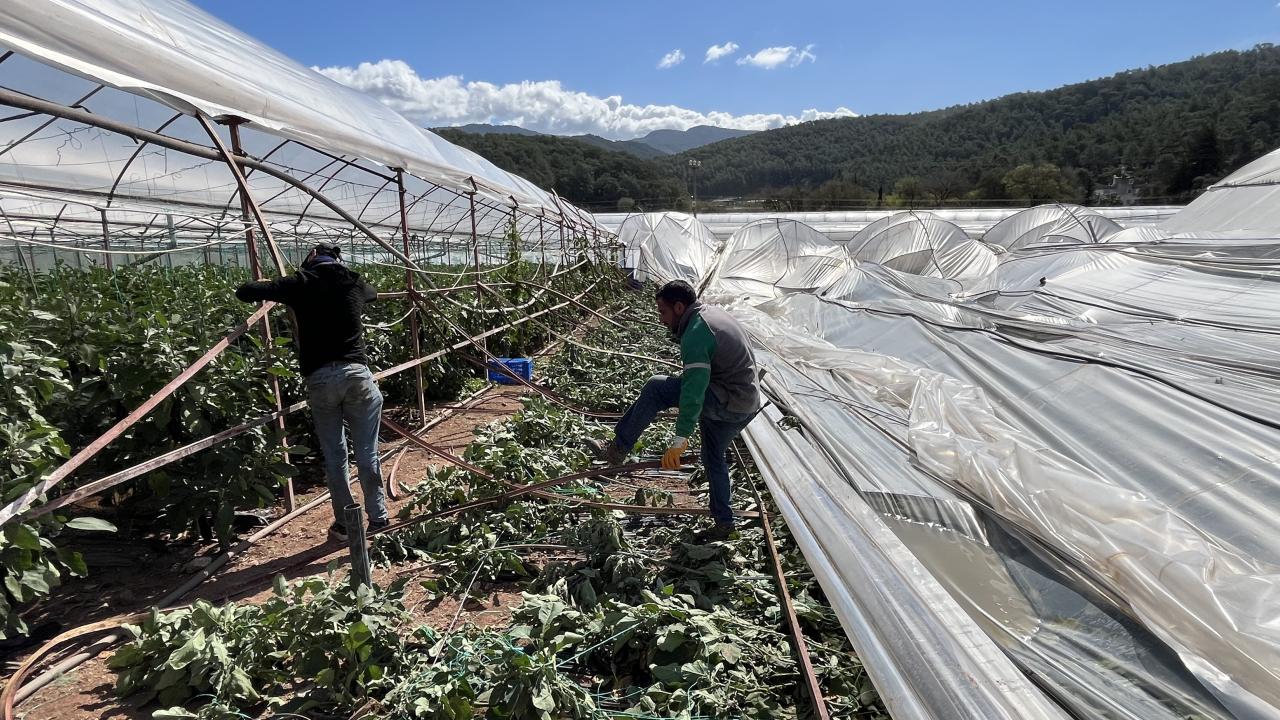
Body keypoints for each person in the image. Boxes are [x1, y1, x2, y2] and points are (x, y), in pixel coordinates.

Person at [235, 243, 388, 542]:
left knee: (335, 456)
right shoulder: (353, 282)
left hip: (320, 380)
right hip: (357, 376)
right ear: (338, 261)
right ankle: (379, 520)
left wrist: (280, 286)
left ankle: (346, 525)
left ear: (311, 261)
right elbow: (373, 294)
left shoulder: (299, 284)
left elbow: (245, 291)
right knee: (368, 455)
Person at [591, 280, 761, 541]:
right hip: (745, 404)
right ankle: (724, 524)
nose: (661, 320)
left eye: (663, 312)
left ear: (679, 307)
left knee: (656, 387)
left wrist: (680, 437)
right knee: (713, 456)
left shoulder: (696, 331)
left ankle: (618, 449)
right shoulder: (711, 315)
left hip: (725, 399)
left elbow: (694, 390)